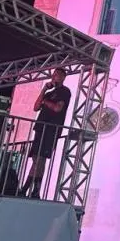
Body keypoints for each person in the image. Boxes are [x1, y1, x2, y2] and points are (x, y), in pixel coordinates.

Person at [21, 67, 71, 199]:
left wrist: (45, 102)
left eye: (58, 75)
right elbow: (36, 107)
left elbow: (57, 108)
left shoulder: (64, 92)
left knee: (40, 159)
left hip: (50, 129)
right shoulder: (49, 93)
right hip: (40, 128)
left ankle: (27, 189)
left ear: (63, 77)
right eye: (53, 75)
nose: (55, 77)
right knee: (37, 159)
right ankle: (34, 190)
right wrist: (44, 90)